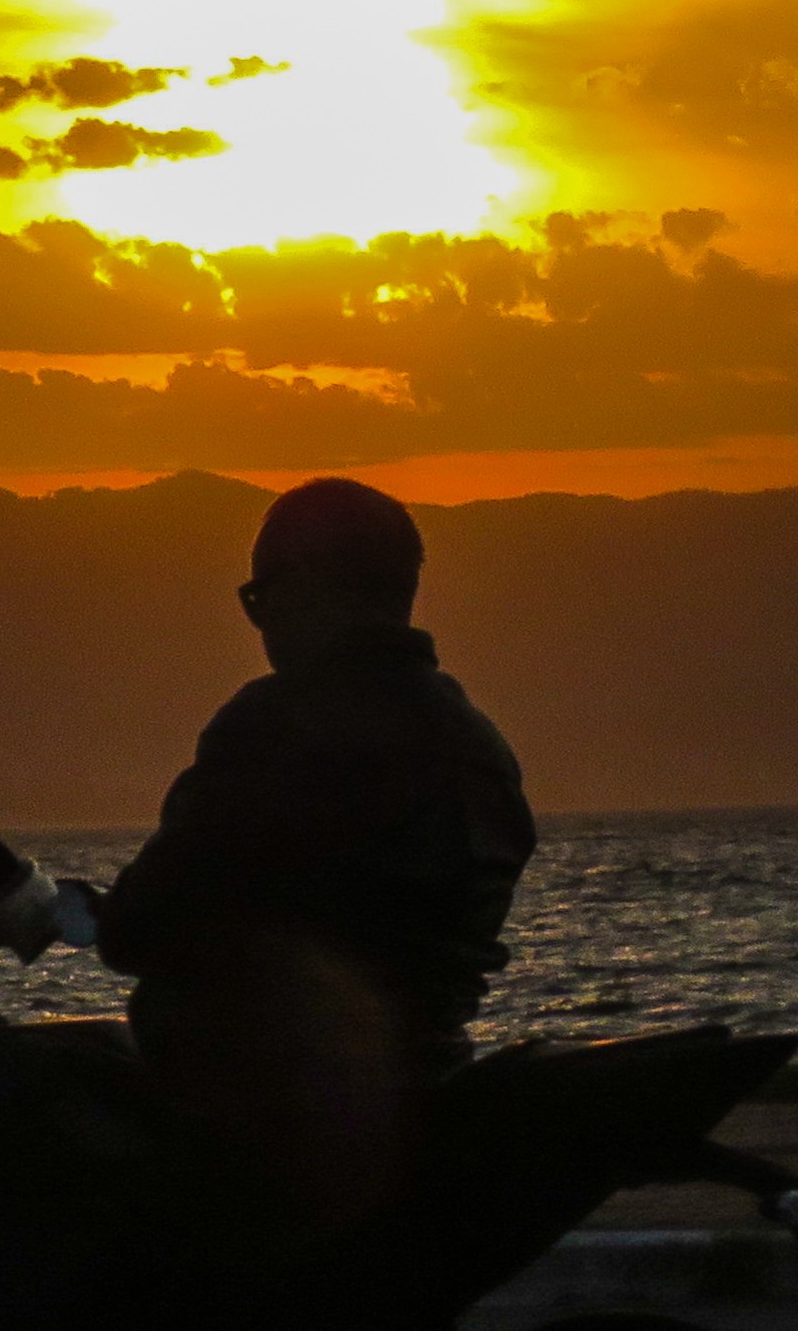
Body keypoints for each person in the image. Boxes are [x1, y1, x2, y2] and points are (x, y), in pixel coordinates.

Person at [97, 476, 536, 1245]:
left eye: (259, 598)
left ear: (302, 584)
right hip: (419, 1079)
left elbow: (142, 923)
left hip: (252, 1109)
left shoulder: (280, 723)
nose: (260, 625)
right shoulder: (479, 743)